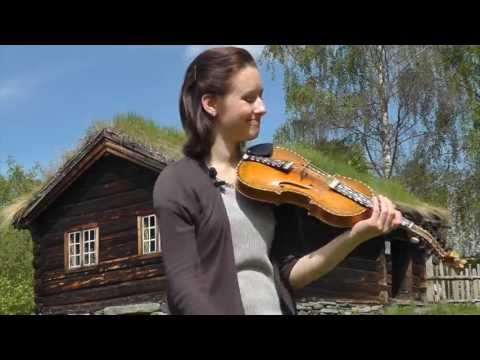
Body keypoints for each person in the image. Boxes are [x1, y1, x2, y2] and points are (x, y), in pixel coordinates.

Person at [153, 46, 402, 315]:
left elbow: (290, 274)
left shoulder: (270, 179)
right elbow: (185, 286)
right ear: (211, 103)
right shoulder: (177, 182)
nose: (262, 108)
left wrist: (356, 235)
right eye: (249, 98)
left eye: (261, 96)